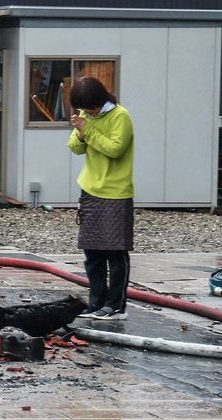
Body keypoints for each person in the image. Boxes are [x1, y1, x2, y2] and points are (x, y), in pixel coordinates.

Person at [67, 76, 135, 320]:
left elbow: (115, 149)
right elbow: (75, 148)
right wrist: (80, 132)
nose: (87, 113)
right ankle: (96, 302)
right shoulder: (87, 116)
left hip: (116, 191)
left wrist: (88, 130)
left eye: (90, 108)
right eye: (83, 109)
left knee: (115, 252)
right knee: (92, 253)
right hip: (90, 189)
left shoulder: (120, 116)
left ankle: (116, 306)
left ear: (100, 100)